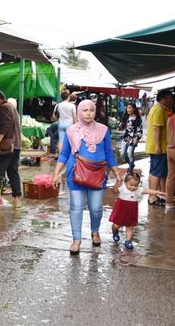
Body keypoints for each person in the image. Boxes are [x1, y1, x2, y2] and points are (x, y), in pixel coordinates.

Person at [51, 99, 122, 255]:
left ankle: (95, 231)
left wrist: (117, 173)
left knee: (96, 208)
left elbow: (109, 153)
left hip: (97, 175)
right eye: (85, 110)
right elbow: (64, 154)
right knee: (76, 207)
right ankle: (76, 239)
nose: (89, 113)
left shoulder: (103, 130)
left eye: (91, 110)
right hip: (75, 174)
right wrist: (56, 173)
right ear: (79, 112)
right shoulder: (71, 130)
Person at [110, 172, 165, 250]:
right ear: (125, 183)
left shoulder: (138, 190)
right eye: (131, 185)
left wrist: (158, 192)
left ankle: (128, 241)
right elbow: (115, 191)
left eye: (135, 185)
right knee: (116, 225)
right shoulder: (122, 187)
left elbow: (148, 190)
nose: (133, 187)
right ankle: (115, 232)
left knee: (129, 227)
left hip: (131, 211)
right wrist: (117, 184)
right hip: (120, 210)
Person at [0, 90, 22, 207]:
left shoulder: (3, 108)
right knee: (13, 172)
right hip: (16, 145)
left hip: (8, 145)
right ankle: (17, 201)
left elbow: (5, 125)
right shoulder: (12, 107)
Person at [145, 89, 174, 205]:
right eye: (170, 98)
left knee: (157, 171)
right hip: (158, 146)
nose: (172, 101)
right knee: (156, 172)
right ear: (164, 99)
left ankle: (158, 195)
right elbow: (156, 128)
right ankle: (152, 197)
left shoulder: (158, 109)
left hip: (158, 146)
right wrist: (158, 146)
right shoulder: (158, 110)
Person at [119, 103, 142, 174]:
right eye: (127, 108)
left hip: (133, 138)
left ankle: (130, 170)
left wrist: (137, 138)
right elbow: (120, 127)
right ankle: (131, 164)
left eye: (130, 108)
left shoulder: (137, 118)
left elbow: (139, 129)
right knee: (122, 154)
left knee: (130, 154)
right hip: (126, 137)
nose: (128, 109)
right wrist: (120, 125)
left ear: (134, 109)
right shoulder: (125, 117)